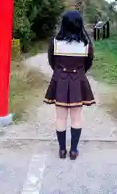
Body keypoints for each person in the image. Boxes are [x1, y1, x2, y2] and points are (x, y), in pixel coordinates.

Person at [43, 10, 95, 160]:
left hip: (60, 80)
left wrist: (61, 73)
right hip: (78, 80)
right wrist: (77, 72)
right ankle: (73, 150)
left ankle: (61, 150)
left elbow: (52, 62)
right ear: (80, 25)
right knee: (77, 117)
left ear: (63, 24)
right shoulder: (86, 44)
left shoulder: (55, 42)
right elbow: (88, 64)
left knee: (60, 118)